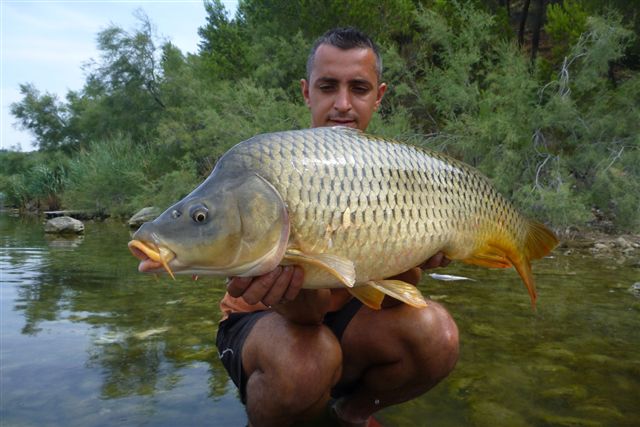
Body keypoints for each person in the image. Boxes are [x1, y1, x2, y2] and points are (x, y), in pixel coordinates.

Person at [216, 27, 459, 427]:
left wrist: (425, 251)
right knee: (307, 362)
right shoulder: (270, 167)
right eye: (328, 86)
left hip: (347, 320)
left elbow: (393, 298)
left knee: (437, 336)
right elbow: (306, 317)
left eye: (358, 88)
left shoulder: (395, 172)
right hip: (264, 324)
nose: (342, 104)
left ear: (378, 96)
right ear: (306, 91)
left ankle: (352, 415)